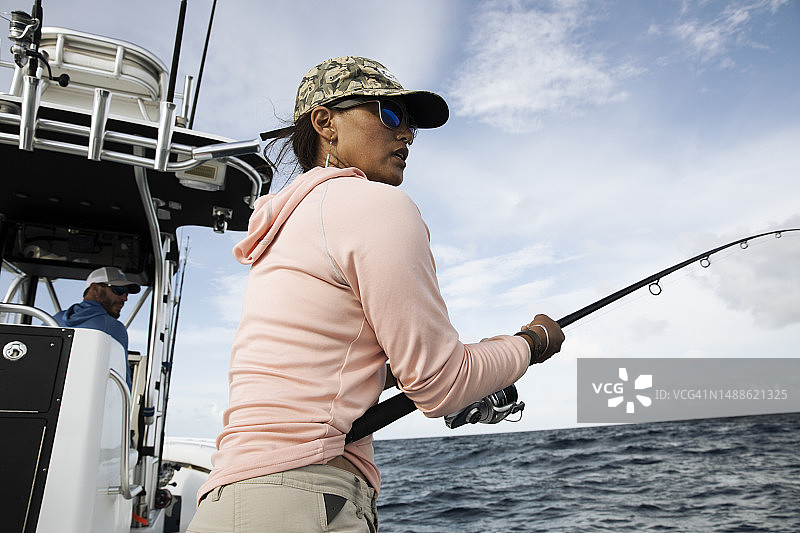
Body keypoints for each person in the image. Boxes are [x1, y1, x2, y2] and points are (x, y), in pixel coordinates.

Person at [188, 56, 565, 533]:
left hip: (233, 497)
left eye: (410, 125)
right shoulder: (373, 205)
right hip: (303, 498)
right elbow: (441, 384)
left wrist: (398, 373)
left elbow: (329, 367)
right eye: (388, 114)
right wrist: (531, 343)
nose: (406, 134)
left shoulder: (288, 223)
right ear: (325, 122)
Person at [54, 266, 140, 388]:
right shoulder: (114, 328)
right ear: (95, 289)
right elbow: (121, 384)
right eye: (119, 290)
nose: (125, 298)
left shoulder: (53, 320)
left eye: (126, 293)